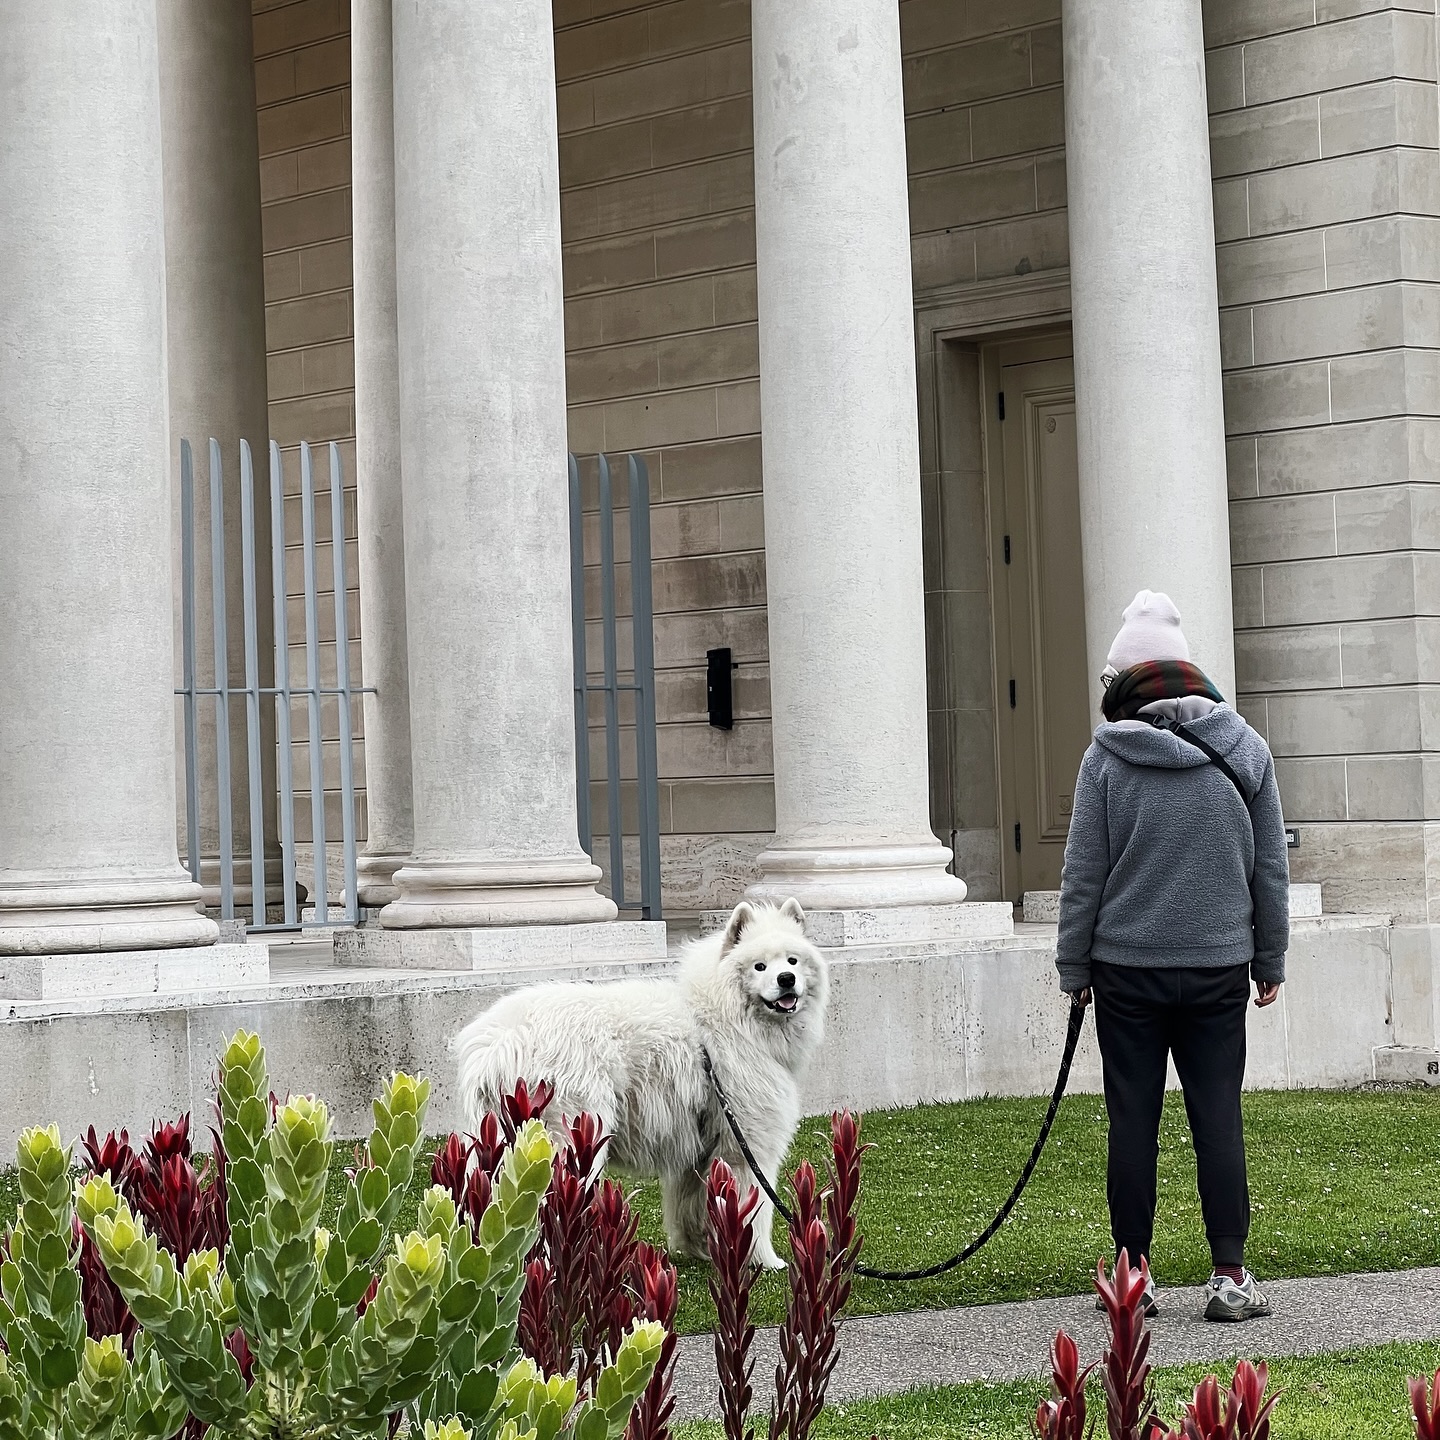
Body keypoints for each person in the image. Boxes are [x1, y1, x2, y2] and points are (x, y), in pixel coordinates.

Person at [1056, 589, 1289, 1323]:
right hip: (1220, 964)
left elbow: (1082, 872)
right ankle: (1229, 1276)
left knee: (1134, 1120)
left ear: (1123, 682)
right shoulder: (1246, 747)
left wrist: (1074, 967)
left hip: (1126, 970)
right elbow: (1269, 869)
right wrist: (1270, 959)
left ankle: (1133, 1274)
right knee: (1217, 1116)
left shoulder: (1106, 757)